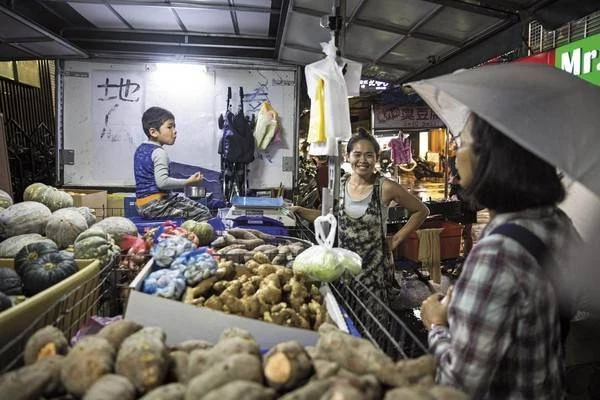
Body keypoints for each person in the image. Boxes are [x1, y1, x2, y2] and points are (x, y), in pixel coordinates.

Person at [420, 113, 579, 398]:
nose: (456, 153)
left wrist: (436, 323)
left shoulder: (496, 253)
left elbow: (458, 385)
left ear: (491, 160)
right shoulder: (558, 222)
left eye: (463, 142)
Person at [291, 128, 429, 304]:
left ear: (376, 158)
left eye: (369, 155)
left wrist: (395, 240)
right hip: (343, 270)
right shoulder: (339, 186)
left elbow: (421, 211)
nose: (363, 160)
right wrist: (300, 210)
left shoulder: (385, 187)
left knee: (372, 325)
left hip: (374, 275)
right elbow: (329, 217)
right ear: (348, 156)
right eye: (357, 154)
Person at [134, 106, 211, 221]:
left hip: (143, 205)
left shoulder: (140, 149)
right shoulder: (159, 152)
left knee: (191, 204)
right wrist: (188, 182)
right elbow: (162, 183)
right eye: (169, 127)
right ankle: (190, 238)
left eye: (174, 126)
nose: (175, 131)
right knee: (203, 213)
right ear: (153, 132)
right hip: (157, 206)